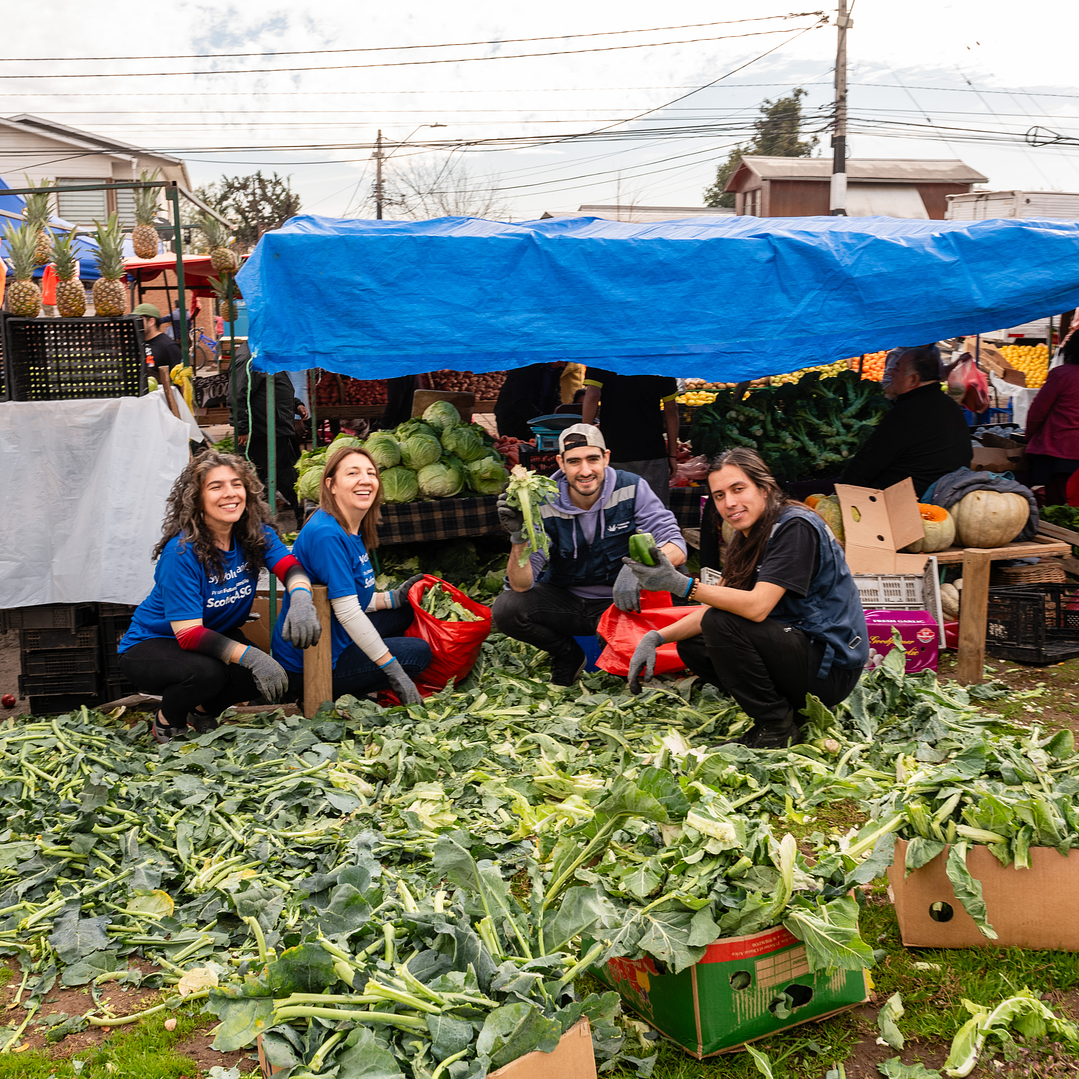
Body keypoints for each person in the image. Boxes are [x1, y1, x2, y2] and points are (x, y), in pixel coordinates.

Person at [623, 448, 868, 749]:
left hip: (830, 669)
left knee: (721, 623)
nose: (730, 502)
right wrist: (656, 638)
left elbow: (756, 607)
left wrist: (682, 585)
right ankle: (786, 709)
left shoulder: (795, 527)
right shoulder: (746, 535)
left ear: (764, 488)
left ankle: (775, 726)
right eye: (719, 495)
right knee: (694, 644)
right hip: (798, 649)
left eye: (738, 489)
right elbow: (718, 603)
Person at [118, 451, 321, 744]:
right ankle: (168, 720)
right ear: (197, 498)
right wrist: (252, 656)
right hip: (152, 644)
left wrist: (302, 599)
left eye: (236, 484)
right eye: (216, 487)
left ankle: (200, 710)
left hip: (211, 636)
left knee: (262, 678)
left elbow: (290, 567)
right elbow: (188, 635)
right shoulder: (182, 553)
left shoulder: (254, 534)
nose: (230, 494)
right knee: (209, 673)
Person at [492, 423, 686, 685]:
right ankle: (568, 655)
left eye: (593, 459)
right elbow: (521, 584)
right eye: (574, 461)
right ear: (561, 463)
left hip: (622, 604)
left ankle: (652, 655)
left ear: (606, 457)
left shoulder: (631, 488)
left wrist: (635, 570)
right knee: (507, 608)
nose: (585, 471)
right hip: (567, 604)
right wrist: (519, 538)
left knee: (681, 586)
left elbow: (675, 545)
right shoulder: (541, 499)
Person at [271, 444, 430, 705]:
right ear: (331, 485)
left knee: (406, 611)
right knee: (417, 653)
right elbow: (348, 612)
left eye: (371, 473)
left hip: (334, 635)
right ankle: (327, 691)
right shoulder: (328, 535)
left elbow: (345, 595)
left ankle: (361, 673)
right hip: (312, 663)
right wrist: (394, 671)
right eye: (353, 473)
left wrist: (392, 598)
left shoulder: (349, 527)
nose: (365, 480)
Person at [838, 344, 971, 497]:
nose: (891, 373)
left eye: (897, 369)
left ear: (913, 380)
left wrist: (842, 496)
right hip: (946, 493)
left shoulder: (906, 412)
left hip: (905, 501)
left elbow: (867, 464)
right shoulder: (951, 406)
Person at [580, 368, 680, 507]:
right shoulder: (659, 357)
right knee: (654, 513)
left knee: (615, 515)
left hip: (613, 453)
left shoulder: (601, 354)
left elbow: (592, 396)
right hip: (651, 453)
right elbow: (671, 409)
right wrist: (672, 455)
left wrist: (585, 439)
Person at [232, 356, 308, 521]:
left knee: (278, 478)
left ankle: (298, 516)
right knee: (278, 479)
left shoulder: (268, 357)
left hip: (275, 431)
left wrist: (296, 404)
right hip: (261, 433)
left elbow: (274, 389)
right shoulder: (251, 360)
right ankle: (300, 517)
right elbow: (238, 394)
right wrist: (243, 427)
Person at [1026, 333, 1079, 506]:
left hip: (1058, 453)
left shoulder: (1062, 374)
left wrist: (1029, 438)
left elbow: (1037, 412)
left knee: (1058, 508)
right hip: (1066, 455)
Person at [494, 363, 566, 440]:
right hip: (514, 420)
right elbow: (521, 401)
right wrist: (543, 421)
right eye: (561, 360)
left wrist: (556, 416)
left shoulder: (556, 370)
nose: (563, 364)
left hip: (538, 419)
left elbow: (555, 394)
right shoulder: (525, 369)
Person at [134, 303, 181, 370]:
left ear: (151, 322)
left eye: (139, 320)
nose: (135, 324)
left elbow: (179, 377)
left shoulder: (169, 346)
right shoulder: (137, 343)